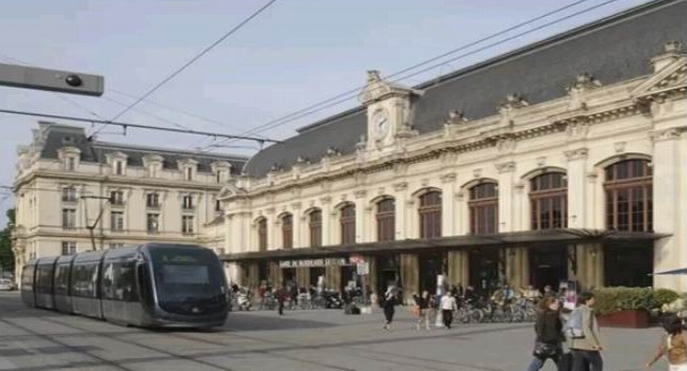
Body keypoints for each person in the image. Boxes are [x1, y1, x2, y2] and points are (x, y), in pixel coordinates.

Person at [526, 296, 564, 371]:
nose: (558, 305)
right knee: (539, 361)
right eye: (555, 303)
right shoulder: (547, 315)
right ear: (549, 304)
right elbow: (541, 328)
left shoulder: (551, 314)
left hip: (550, 342)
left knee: (560, 362)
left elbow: (537, 328)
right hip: (548, 342)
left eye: (558, 303)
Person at [569, 291, 603, 371]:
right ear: (587, 300)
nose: (594, 300)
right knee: (597, 364)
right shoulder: (587, 311)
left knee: (579, 367)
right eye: (593, 299)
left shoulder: (576, 310)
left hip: (575, 344)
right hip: (586, 345)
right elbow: (586, 329)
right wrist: (594, 344)